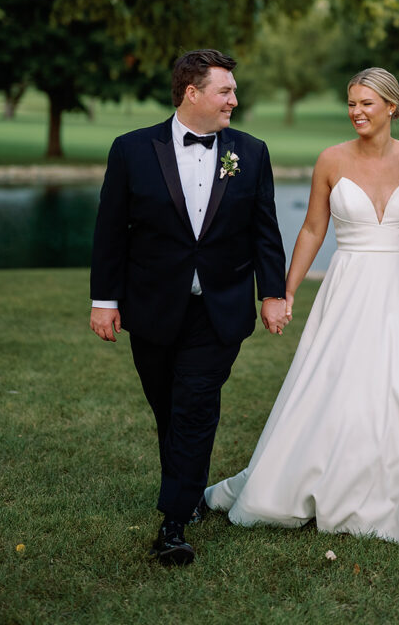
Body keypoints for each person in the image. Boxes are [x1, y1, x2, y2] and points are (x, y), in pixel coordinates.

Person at [205, 67, 399, 555]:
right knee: (339, 389)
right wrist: (284, 292)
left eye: (366, 103)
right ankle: (318, 482)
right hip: (349, 288)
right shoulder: (331, 160)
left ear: (391, 107)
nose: (357, 111)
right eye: (351, 103)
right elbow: (312, 231)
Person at [89, 49, 288, 565]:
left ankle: (173, 524)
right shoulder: (132, 150)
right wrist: (104, 301)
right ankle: (188, 491)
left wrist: (273, 292)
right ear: (191, 93)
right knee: (169, 409)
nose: (234, 101)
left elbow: (265, 230)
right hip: (152, 307)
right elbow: (111, 232)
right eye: (225, 91)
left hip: (219, 309)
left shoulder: (251, 151)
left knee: (196, 407)